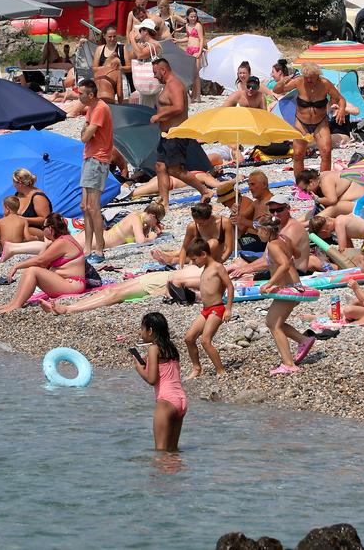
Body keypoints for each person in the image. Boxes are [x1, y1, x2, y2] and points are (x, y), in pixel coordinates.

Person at [0, 213, 87, 314]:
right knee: (31, 270)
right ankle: (13, 303)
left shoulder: (62, 242)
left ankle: (17, 304)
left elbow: (40, 260)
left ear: (50, 229)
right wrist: (46, 245)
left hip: (73, 284)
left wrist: (17, 266)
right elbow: (42, 262)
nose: (42, 229)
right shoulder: (62, 240)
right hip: (68, 282)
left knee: (33, 270)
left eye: (43, 227)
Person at [255, 218, 313, 375]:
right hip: (295, 285)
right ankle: (303, 340)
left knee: (274, 324)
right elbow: (297, 253)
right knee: (273, 322)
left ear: (266, 230)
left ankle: (289, 364)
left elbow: (285, 265)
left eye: (257, 229)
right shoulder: (284, 238)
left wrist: (269, 283)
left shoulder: (272, 245)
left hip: (289, 288)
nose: (257, 232)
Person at [151, 55, 206, 210]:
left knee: (174, 169)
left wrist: (159, 115)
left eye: (156, 72)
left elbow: (179, 107)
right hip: (167, 134)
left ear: (163, 70)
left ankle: (204, 190)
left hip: (176, 133)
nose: (154, 76)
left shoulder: (174, 84)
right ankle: (164, 203)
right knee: (160, 166)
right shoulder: (167, 85)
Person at [279, 62, 348, 172]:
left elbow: (340, 99)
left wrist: (341, 110)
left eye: (311, 78)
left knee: (326, 152)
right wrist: (281, 83)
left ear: (318, 75)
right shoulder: (299, 81)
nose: (308, 80)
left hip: (320, 122)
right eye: (306, 77)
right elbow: (277, 90)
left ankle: (324, 182)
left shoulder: (325, 84)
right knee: (298, 154)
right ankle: (300, 184)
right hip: (301, 123)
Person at [132, 311, 186, 451]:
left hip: (166, 401)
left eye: (142, 328)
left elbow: (152, 379)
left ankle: (160, 473)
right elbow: (165, 370)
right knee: (173, 451)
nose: (141, 332)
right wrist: (148, 363)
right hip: (181, 400)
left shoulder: (153, 348)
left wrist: (139, 368)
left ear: (150, 331)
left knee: (161, 451)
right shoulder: (171, 348)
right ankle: (176, 472)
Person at [184, 237, 233, 377]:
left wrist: (228, 308)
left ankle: (221, 371)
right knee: (189, 338)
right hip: (206, 310)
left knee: (205, 340)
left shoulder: (217, 267)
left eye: (194, 259)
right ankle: (197, 368)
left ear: (204, 254)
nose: (193, 263)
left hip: (217, 308)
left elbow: (229, 286)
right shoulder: (205, 268)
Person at [78, 79, 113, 261]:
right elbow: (84, 134)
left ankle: (99, 249)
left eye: (81, 93)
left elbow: (85, 137)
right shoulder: (91, 108)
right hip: (89, 157)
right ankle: (87, 248)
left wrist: (85, 133)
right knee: (85, 207)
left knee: (93, 207)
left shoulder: (99, 108)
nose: (79, 96)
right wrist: (85, 133)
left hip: (97, 159)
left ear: (90, 95)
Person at [92, 27, 125, 103]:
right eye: (110, 36)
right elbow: (120, 94)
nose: (112, 39)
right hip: (108, 98)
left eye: (114, 36)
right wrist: (121, 106)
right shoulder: (117, 72)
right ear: (104, 36)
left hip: (96, 98)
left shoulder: (97, 73)